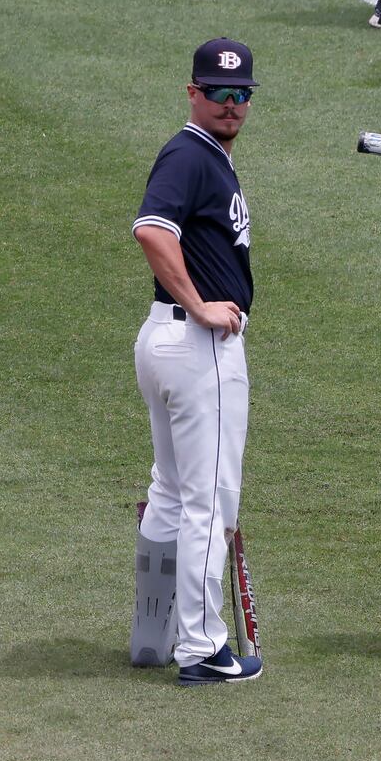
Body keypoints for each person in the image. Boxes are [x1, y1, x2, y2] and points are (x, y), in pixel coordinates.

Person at [129, 38, 262, 685]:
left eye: (240, 95)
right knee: (209, 501)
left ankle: (151, 636)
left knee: (172, 495)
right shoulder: (190, 154)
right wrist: (202, 304)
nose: (230, 104)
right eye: (217, 92)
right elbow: (153, 229)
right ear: (192, 93)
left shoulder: (206, 157)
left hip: (164, 343)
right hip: (196, 347)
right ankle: (204, 650)